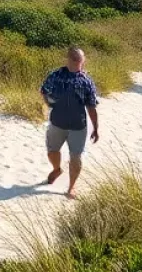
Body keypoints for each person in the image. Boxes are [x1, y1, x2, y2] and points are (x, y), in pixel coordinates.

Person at [40, 47, 99, 199]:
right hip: (57, 123)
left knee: (75, 157)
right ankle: (57, 169)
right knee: (52, 151)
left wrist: (96, 127)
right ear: (69, 59)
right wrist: (49, 103)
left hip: (78, 126)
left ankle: (71, 187)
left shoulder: (86, 81)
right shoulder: (56, 75)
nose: (78, 62)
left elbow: (91, 106)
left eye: (80, 59)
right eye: (75, 59)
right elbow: (44, 90)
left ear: (83, 61)